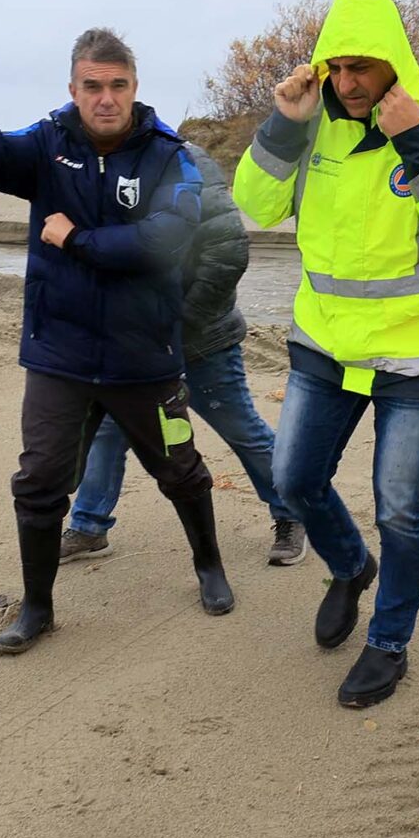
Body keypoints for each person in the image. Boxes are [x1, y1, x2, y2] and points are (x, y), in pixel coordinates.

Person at [0, 28, 234, 656]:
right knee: (40, 481)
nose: (105, 98)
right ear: (73, 89)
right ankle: (37, 607)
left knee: (180, 468)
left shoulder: (171, 157)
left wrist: (73, 239)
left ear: (134, 87)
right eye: (92, 86)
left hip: (146, 360)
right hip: (60, 356)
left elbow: (165, 241)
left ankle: (209, 566)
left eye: (118, 85)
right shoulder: (47, 147)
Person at [233, 0, 419, 709]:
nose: (350, 83)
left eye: (364, 67)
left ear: (395, 61)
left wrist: (417, 137)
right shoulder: (314, 113)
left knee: (400, 505)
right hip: (326, 341)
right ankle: (351, 567)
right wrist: (285, 124)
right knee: (291, 482)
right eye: (339, 67)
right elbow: (257, 205)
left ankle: (389, 641)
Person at [60, 139, 306, 567]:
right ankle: (88, 526)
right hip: (131, 346)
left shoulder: (185, 161)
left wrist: (176, 326)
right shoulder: (99, 171)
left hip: (201, 338)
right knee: (108, 433)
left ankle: (292, 513)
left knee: (241, 429)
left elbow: (227, 253)